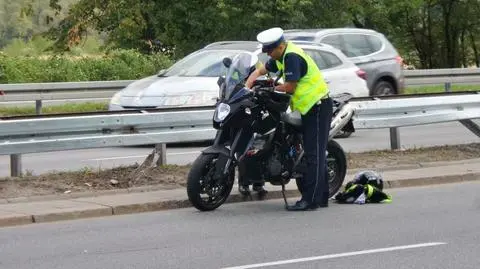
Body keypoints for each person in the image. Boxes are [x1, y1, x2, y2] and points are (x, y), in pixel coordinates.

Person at [245, 27, 333, 211]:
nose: (269, 54)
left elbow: (290, 87)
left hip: (317, 106)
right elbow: (262, 69)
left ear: (280, 46)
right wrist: (248, 84)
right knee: (316, 153)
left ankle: (310, 201)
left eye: (270, 50)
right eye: (266, 51)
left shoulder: (292, 57)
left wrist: (269, 90)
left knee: (313, 155)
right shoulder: (282, 55)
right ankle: (322, 196)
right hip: (310, 108)